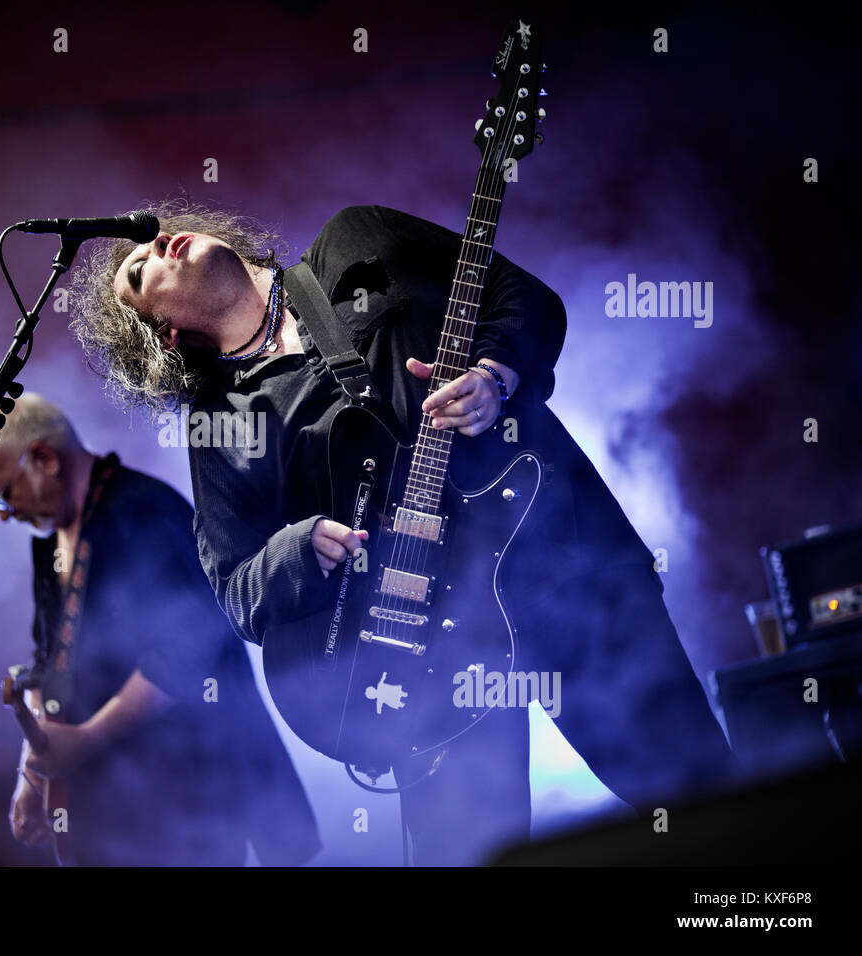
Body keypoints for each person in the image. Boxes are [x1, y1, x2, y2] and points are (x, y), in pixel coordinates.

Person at [69, 200, 744, 865]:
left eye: (154, 236)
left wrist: (495, 374)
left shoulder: (357, 239)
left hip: (557, 561)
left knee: (697, 799)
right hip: (422, 659)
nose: (157, 245)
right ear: (164, 335)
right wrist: (298, 547)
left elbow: (522, 296)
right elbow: (235, 590)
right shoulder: (220, 423)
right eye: (139, 271)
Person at [0, 391, 319, 866]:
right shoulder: (46, 539)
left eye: (0, 495)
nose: (3, 515)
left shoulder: (146, 508)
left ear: (44, 459)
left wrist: (88, 738)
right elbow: (47, 658)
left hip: (189, 798)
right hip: (111, 805)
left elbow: (189, 649)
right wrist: (35, 774)